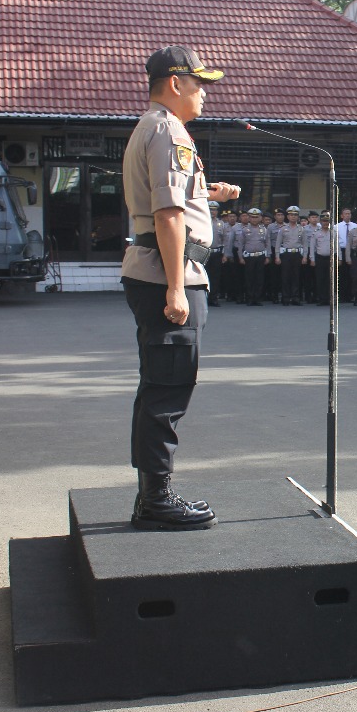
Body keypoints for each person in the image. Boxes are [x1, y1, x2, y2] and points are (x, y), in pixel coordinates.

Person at [121, 45, 237, 531]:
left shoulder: (152, 126)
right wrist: (174, 289)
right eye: (198, 83)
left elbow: (173, 199)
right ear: (174, 83)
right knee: (168, 387)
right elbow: (167, 214)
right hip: (171, 274)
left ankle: (152, 492)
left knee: (160, 384)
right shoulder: (170, 131)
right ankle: (156, 499)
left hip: (160, 268)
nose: (204, 93)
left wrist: (212, 195)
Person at [274, 206, 306, 305]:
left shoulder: (301, 229)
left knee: (296, 277)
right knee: (285, 277)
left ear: (298, 217)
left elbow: (305, 244)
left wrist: (305, 256)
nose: (293, 217)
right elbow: (278, 244)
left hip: (297, 254)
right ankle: (286, 298)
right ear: (287, 216)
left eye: (295, 215)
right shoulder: (283, 229)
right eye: (291, 215)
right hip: (286, 255)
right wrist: (277, 256)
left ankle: (296, 298)